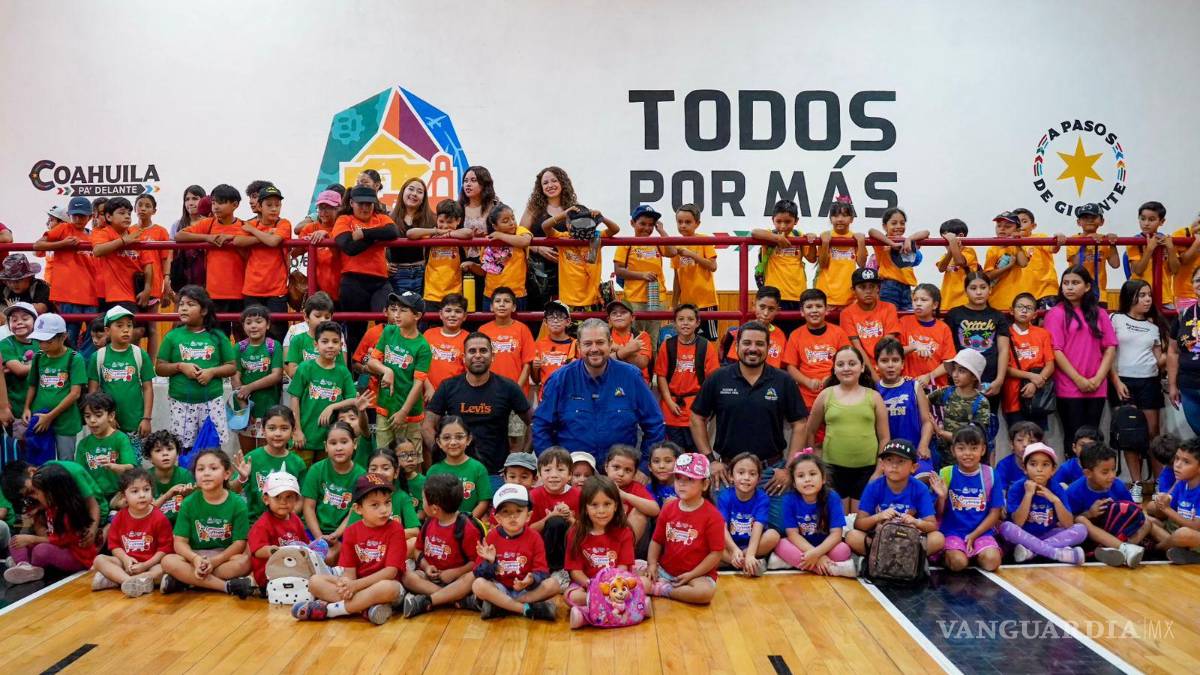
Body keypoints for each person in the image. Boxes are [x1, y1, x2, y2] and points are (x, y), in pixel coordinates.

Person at [691, 321, 807, 527]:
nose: (753, 348)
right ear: (737, 346)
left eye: (759, 344)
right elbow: (696, 417)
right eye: (747, 343)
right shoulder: (718, 378)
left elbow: (800, 423)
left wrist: (789, 469)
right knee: (724, 530)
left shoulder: (783, 381)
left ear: (768, 347)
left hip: (772, 475)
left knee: (778, 530)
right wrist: (710, 460)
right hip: (727, 473)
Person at [532, 319, 664, 467]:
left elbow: (655, 423)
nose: (594, 349)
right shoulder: (560, 379)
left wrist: (644, 468)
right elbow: (540, 426)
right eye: (588, 344)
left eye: (600, 342)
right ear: (579, 346)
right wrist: (552, 468)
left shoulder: (631, 377)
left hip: (620, 474)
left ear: (610, 343)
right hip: (574, 475)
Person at [292, 473, 406, 625]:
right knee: (314, 581)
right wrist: (347, 585)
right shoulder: (351, 531)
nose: (384, 510)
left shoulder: (396, 529)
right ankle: (364, 608)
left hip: (385, 586)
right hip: (358, 587)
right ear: (358, 509)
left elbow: (390, 572)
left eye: (387, 502)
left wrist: (355, 586)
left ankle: (331, 610)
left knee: (388, 588)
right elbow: (350, 574)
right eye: (375, 505)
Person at [424, 333, 531, 479]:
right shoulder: (448, 387)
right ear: (464, 357)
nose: (478, 355)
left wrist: (521, 459)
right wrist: (443, 453)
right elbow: (426, 426)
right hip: (456, 473)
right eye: (472, 351)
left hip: (496, 474)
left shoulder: (508, 387)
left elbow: (534, 422)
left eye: (483, 350)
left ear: (492, 356)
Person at [159, 449, 254, 598]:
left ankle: (186, 580)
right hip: (195, 556)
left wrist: (214, 561)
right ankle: (226, 586)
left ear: (227, 474)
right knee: (167, 561)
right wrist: (195, 559)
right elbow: (179, 542)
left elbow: (239, 544)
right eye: (200, 469)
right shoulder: (188, 502)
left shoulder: (237, 503)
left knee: (244, 563)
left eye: (213, 468)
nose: (206, 473)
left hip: (223, 557)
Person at [805, 345, 890, 510]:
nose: (846, 368)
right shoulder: (825, 395)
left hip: (867, 470)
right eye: (840, 364)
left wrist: (879, 470)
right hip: (832, 470)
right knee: (839, 520)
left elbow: (884, 437)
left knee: (859, 520)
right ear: (834, 369)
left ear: (862, 367)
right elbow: (810, 431)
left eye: (852, 363)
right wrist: (815, 461)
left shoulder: (874, 397)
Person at [155, 286, 236, 454]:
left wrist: (211, 372)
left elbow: (231, 366)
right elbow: (160, 368)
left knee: (212, 449)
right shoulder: (172, 336)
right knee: (184, 450)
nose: (183, 308)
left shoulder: (217, 336)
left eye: (190, 304)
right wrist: (180, 366)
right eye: (181, 304)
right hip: (180, 403)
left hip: (211, 402)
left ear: (204, 310)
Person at [1046, 266, 1118, 453]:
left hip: (1097, 386)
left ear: (1087, 287)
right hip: (1068, 386)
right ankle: (1074, 472)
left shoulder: (1099, 313)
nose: (1069, 287)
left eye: (1075, 283)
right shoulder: (1056, 313)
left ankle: (1092, 472)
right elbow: (1056, 350)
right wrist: (1078, 379)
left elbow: (1110, 347)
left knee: (1093, 438)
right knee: (1073, 437)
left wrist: (1098, 379)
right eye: (1066, 283)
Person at [1110, 279, 1168, 493]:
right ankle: (1136, 483)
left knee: (1153, 433)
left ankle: (1160, 483)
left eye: (1149, 295)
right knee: (1130, 433)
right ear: (1130, 297)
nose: (1147, 299)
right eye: (1142, 295)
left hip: (1149, 382)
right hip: (1123, 381)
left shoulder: (1153, 327)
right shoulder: (1115, 319)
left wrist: (1174, 350)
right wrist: (1116, 381)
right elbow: (1108, 353)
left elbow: (1159, 360)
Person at [642, 453, 724, 605]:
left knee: (704, 593)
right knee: (634, 572)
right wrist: (652, 564)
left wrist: (691, 574)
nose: (681, 484)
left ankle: (664, 590)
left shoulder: (713, 516)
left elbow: (716, 553)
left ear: (705, 484)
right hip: (664, 571)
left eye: (690, 479)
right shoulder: (668, 508)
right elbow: (656, 541)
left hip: (697, 576)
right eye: (678, 478)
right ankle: (659, 585)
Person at [471, 483, 561, 620]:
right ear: (498, 518)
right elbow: (478, 572)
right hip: (500, 588)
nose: (512, 516)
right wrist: (490, 562)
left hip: (525, 591)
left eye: (518, 511)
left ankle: (502, 606)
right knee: (478, 585)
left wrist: (531, 580)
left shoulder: (535, 537)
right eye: (506, 512)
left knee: (554, 584)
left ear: (528, 515)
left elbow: (542, 571)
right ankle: (524, 609)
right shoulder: (492, 536)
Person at [1066, 442, 1162, 569]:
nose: (1111, 476)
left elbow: (1134, 514)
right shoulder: (1074, 491)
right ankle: (1124, 549)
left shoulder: (1118, 486)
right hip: (1092, 538)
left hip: (1119, 533)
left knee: (1147, 523)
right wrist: (1089, 514)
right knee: (1080, 520)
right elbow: (1067, 522)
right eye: (1105, 472)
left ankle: (1118, 550)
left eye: (1113, 470)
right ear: (1088, 473)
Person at [400, 473, 484, 617]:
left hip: (457, 580)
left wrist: (454, 573)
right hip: (431, 579)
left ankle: (428, 601)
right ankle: (456, 600)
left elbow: (476, 562)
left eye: (423, 499)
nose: (422, 502)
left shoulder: (466, 528)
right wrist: (427, 567)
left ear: (434, 509)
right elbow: (418, 550)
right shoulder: (428, 522)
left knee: (473, 577)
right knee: (406, 576)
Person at [846, 440, 945, 559]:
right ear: (882, 465)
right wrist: (879, 516)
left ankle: (892, 559)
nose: (894, 466)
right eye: (889, 460)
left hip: (909, 540)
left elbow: (932, 525)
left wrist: (915, 522)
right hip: (879, 539)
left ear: (913, 467)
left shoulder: (920, 488)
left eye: (901, 461)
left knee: (938, 538)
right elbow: (859, 524)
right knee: (852, 536)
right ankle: (896, 559)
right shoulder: (874, 486)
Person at [3, 464, 98, 585]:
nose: (35, 497)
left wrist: (34, 539)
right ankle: (23, 565)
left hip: (76, 556)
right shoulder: (50, 507)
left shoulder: (69, 512)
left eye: (36, 493)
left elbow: (63, 540)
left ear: (52, 493)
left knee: (41, 550)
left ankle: (30, 566)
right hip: (56, 546)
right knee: (15, 541)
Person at [564, 475, 637, 628]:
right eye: (594, 505)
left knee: (640, 584)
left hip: (618, 585)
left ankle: (586, 616)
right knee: (572, 596)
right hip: (587, 585)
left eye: (607, 504)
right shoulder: (575, 533)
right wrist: (592, 586)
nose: (601, 510)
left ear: (616, 505)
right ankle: (622, 610)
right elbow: (575, 571)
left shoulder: (624, 532)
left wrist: (613, 587)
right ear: (585, 508)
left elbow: (623, 567)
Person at [333, 186, 400, 353]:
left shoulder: (381, 217)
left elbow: (393, 231)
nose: (365, 208)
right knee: (355, 330)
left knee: (387, 322)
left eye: (369, 204)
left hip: (380, 281)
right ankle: (355, 367)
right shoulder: (344, 219)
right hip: (353, 280)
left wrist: (364, 234)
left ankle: (386, 362)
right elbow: (349, 247)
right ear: (351, 203)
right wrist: (376, 237)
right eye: (361, 203)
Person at [768, 450, 856, 576]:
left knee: (843, 550)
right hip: (801, 546)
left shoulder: (832, 497)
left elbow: (836, 535)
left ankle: (792, 562)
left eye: (812, 474)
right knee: (781, 544)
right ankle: (831, 569)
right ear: (794, 483)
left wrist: (817, 553)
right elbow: (792, 534)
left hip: (825, 546)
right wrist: (818, 557)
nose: (807, 479)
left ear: (823, 478)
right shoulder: (789, 499)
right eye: (801, 476)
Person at [997, 441, 1086, 564]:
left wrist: (1055, 500)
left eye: (1045, 465)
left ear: (1053, 470)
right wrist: (1028, 495)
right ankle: (1055, 553)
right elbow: (1017, 523)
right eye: (1033, 464)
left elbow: (1068, 524)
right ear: (1025, 468)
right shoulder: (1017, 487)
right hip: (1022, 538)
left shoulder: (1056, 488)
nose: (1039, 469)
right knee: (1006, 527)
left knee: (1081, 530)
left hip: (1046, 535)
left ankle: (1032, 552)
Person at [90, 468, 174, 596]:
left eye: (146, 489)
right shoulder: (119, 517)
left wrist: (145, 565)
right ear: (124, 496)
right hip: (127, 564)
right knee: (99, 559)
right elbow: (114, 546)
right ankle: (129, 581)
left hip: (151, 564)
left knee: (164, 568)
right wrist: (125, 559)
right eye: (135, 491)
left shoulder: (160, 518)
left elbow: (165, 549)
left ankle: (116, 580)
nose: (142, 495)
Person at [176, 184, 248, 333]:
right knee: (217, 336)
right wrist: (207, 238)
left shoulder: (244, 226)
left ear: (235, 204)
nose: (215, 207)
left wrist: (233, 240)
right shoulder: (208, 224)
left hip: (241, 292)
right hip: (214, 292)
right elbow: (179, 236)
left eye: (221, 202)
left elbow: (249, 258)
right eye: (214, 202)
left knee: (243, 336)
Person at [367, 291, 432, 449]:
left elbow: (418, 384)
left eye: (403, 310)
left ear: (417, 316)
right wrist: (386, 371)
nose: (396, 314)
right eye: (395, 309)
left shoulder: (423, 346)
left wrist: (404, 411)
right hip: (385, 405)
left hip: (410, 412)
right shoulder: (389, 331)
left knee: (411, 457)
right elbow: (372, 362)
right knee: (383, 453)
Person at [287, 321, 358, 465]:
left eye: (335, 342)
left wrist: (332, 407)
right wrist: (297, 430)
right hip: (304, 437)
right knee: (301, 474)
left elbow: (353, 399)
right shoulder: (305, 368)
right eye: (325, 341)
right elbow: (294, 399)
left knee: (324, 475)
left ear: (341, 346)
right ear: (316, 345)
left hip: (330, 440)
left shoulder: (343, 372)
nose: (330, 345)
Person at [34, 196, 98, 349]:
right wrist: (63, 244)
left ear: (90, 217)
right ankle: (71, 361)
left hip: (90, 293)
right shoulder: (64, 228)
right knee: (69, 335)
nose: (78, 219)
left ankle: (82, 361)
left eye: (82, 215)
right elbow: (37, 245)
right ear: (69, 215)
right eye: (75, 215)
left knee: (94, 334)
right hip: (67, 294)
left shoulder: (94, 235)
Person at [937, 426, 1003, 572]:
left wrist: (974, 535)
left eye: (974, 448)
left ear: (983, 450)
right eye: (961, 448)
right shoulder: (945, 473)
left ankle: (976, 553)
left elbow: (995, 513)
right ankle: (948, 554)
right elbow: (938, 514)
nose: (967, 453)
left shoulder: (991, 474)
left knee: (992, 562)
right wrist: (941, 497)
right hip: (952, 532)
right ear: (953, 450)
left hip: (981, 532)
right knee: (958, 563)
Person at [945, 270, 1011, 417]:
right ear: (965, 291)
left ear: (990, 289)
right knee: (959, 422)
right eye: (973, 288)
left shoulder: (998, 316)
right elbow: (948, 350)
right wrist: (953, 376)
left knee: (987, 423)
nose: (979, 292)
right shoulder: (954, 314)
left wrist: (999, 380)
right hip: (961, 380)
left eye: (983, 287)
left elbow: (1004, 350)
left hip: (990, 381)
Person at [655, 304, 721, 452]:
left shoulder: (706, 346)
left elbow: (712, 380)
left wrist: (705, 406)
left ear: (697, 323)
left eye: (690, 319)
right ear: (674, 323)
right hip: (671, 408)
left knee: (696, 456)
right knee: (674, 454)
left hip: (696, 409)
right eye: (681, 319)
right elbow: (661, 376)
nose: (685, 323)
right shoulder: (667, 345)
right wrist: (669, 401)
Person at [87, 306, 155, 447]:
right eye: (119, 326)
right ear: (107, 331)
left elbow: (148, 388)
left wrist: (146, 419)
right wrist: (106, 418)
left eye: (129, 325)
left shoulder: (140, 354)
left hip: (135, 424)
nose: (126, 330)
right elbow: (93, 393)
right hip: (107, 425)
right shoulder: (98, 357)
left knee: (133, 459)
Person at [23, 313, 87, 460]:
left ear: (63, 337)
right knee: (41, 461)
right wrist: (27, 408)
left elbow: (75, 394)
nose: (43, 345)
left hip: (65, 421)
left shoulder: (74, 358)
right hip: (39, 417)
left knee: (66, 460)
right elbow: (32, 385)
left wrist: (50, 417)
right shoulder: (38, 357)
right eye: (40, 341)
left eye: (48, 341)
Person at [301, 421, 367, 564]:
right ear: (326, 446)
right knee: (302, 556)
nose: (339, 448)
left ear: (355, 444)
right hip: (314, 530)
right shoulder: (316, 469)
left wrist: (336, 534)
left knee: (330, 557)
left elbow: (354, 512)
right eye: (333, 443)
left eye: (344, 442)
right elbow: (308, 507)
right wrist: (319, 538)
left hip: (344, 533)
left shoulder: (361, 475)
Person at [479, 287, 536, 448]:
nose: (502, 305)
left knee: (515, 440)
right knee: (490, 439)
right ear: (491, 307)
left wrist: (515, 389)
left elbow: (527, 364)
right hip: (488, 394)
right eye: (497, 301)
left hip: (516, 395)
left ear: (514, 306)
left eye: (507, 301)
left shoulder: (522, 329)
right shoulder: (483, 330)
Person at [232, 405, 307, 522]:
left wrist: (286, 516)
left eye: (284, 428)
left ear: (293, 431)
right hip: (255, 523)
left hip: (286, 522)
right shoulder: (251, 459)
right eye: (272, 428)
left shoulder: (297, 463)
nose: (278, 433)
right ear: (263, 430)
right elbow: (232, 490)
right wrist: (241, 478)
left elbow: (302, 499)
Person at [614, 204, 677, 336]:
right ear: (632, 223)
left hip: (657, 299)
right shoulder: (626, 244)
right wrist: (642, 275)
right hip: (634, 300)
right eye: (642, 224)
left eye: (651, 225)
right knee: (635, 337)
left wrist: (662, 231)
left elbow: (672, 252)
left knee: (653, 338)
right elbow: (619, 271)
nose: (647, 228)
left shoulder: (657, 242)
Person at [783, 289, 851, 410]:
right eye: (809, 307)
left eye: (819, 306)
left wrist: (832, 378)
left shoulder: (839, 333)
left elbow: (848, 361)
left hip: (837, 392)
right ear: (802, 311)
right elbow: (790, 367)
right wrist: (807, 382)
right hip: (806, 398)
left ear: (826, 309)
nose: (814, 310)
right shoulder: (795, 335)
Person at [751, 199, 815, 328]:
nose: (783, 226)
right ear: (772, 220)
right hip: (774, 296)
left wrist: (812, 240)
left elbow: (812, 258)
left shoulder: (799, 235)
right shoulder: (769, 235)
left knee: (794, 333)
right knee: (775, 333)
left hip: (798, 295)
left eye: (787, 221)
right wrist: (777, 238)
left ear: (796, 221)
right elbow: (754, 232)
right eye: (778, 221)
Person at [521, 166, 578, 309]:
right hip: (537, 270)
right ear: (540, 188)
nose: (550, 185)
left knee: (565, 310)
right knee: (537, 310)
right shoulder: (533, 208)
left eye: (554, 181)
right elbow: (520, 234)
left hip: (566, 267)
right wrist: (538, 248)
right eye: (545, 183)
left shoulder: (573, 208)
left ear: (563, 183)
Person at [717, 453, 780, 576]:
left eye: (752, 474)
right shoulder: (725, 496)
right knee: (710, 542)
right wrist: (734, 549)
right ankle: (747, 564)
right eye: (741, 473)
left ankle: (739, 561)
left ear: (759, 478)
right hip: (729, 546)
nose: (746, 477)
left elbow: (758, 526)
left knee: (773, 535)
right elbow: (721, 528)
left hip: (753, 546)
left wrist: (750, 554)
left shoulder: (762, 498)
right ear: (731, 476)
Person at [231, 305, 283, 451]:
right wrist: (243, 404)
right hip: (243, 409)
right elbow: (235, 376)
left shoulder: (274, 346)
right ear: (243, 326)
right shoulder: (239, 348)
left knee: (265, 451)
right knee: (247, 454)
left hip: (267, 407)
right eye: (248, 322)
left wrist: (250, 387)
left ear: (268, 325)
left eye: (258, 321)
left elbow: (276, 375)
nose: (253, 326)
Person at [246, 470, 309, 589]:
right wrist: (274, 551)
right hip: (269, 573)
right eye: (277, 497)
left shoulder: (295, 519)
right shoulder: (262, 524)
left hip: (292, 568)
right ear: (266, 499)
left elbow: (305, 543)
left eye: (289, 497)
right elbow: (257, 551)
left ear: (296, 499)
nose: (283, 502)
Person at [408, 199, 472, 312]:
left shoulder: (459, 237)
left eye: (449, 222)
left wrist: (448, 234)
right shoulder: (431, 235)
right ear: (436, 219)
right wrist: (436, 231)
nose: (445, 226)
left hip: (454, 294)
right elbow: (410, 233)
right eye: (441, 221)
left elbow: (468, 233)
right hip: (431, 294)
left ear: (458, 221)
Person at [1003, 293, 1055, 430]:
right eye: (1020, 307)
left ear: (1035, 314)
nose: (1024, 310)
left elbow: (1050, 365)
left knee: (1037, 437)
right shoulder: (1005, 334)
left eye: (1029, 308)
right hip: (1013, 395)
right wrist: (1031, 376)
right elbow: (1005, 368)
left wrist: (1035, 383)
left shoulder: (1043, 334)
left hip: (1038, 396)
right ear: (1011, 311)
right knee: (1017, 436)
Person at [74, 391, 137, 504]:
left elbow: (131, 467)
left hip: (118, 494)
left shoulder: (120, 439)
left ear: (111, 416)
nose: (92, 420)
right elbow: (79, 473)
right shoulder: (83, 443)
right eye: (87, 416)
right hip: (93, 496)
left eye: (98, 415)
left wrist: (115, 467)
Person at [875, 338, 933, 458]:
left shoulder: (914, 386)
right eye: (884, 361)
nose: (890, 365)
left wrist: (923, 445)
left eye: (895, 360)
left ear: (902, 364)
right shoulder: (873, 391)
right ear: (877, 364)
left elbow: (927, 422)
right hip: (885, 455)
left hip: (914, 453)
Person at [427, 415, 494, 519]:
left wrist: (466, 522)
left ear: (468, 439)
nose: (453, 442)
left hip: (470, 524)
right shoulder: (433, 470)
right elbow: (429, 503)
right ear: (439, 442)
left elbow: (484, 502)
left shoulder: (478, 468)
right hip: (440, 523)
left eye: (459, 437)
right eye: (446, 438)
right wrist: (445, 523)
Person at [839, 268, 901, 376]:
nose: (868, 291)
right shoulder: (846, 313)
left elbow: (887, 344)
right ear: (853, 290)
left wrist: (882, 374)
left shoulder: (889, 308)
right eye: (862, 287)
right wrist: (874, 377)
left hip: (887, 365)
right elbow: (857, 348)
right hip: (863, 369)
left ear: (878, 288)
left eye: (872, 286)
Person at [1148, 438, 1200, 564]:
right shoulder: (1182, 482)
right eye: (1177, 459)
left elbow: (1196, 527)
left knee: (1183, 534)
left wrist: (1166, 509)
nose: (1177, 465)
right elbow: (1164, 506)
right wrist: (1162, 500)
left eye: (1186, 462)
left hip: (1193, 535)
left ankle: (1153, 551)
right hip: (1180, 534)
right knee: (1145, 520)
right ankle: (1186, 554)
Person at [670, 204, 718, 338]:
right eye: (680, 222)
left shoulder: (705, 240)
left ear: (697, 223)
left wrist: (691, 254)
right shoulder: (676, 246)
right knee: (686, 339)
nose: (683, 225)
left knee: (708, 340)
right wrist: (673, 304)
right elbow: (677, 278)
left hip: (706, 302)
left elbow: (713, 266)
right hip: (686, 304)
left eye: (688, 222)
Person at [867, 207, 929, 312]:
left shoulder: (907, 242)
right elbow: (871, 231)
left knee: (907, 316)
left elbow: (926, 232)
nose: (899, 226)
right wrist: (891, 244)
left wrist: (909, 239)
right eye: (894, 223)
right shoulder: (883, 243)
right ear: (885, 226)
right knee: (889, 316)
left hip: (906, 287)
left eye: (902, 223)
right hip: (889, 286)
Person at [529, 447, 579, 571]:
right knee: (555, 522)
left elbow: (587, 530)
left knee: (559, 522)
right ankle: (550, 568)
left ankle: (567, 568)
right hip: (541, 548)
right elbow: (528, 530)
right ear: (539, 474)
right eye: (547, 470)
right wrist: (548, 518)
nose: (554, 475)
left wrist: (570, 518)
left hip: (571, 547)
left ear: (570, 474)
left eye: (560, 470)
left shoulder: (578, 495)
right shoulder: (533, 496)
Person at [814, 196, 867, 309]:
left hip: (849, 297)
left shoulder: (855, 238)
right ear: (830, 218)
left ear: (852, 219)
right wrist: (825, 243)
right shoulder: (825, 236)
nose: (840, 219)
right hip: (826, 296)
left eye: (844, 215)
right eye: (836, 215)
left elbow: (862, 264)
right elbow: (822, 264)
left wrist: (861, 242)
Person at [477, 203, 532, 311]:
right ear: (495, 226)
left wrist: (500, 235)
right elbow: (484, 269)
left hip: (516, 294)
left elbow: (525, 241)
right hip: (491, 294)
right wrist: (471, 265)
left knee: (516, 322)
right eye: (505, 221)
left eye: (513, 218)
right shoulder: (489, 240)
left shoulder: (519, 231)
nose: (512, 223)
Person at [1063, 202, 1120, 306]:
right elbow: (1075, 264)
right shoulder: (1073, 240)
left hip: (1099, 295)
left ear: (1102, 221)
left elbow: (1115, 264)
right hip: (1077, 294)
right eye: (1085, 217)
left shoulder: (1104, 239)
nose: (1090, 220)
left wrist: (1112, 244)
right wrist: (1086, 241)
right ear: (1078, 222)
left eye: (1094, 217)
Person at [1125, 201, 1180, 309]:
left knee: (1170, 319)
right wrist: (1149, 249)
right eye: (1142, 218)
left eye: (1151, 219)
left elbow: (1175, 270)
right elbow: (1138, 270)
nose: (1146, 223)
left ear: (1162, 221)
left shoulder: (1167, 241)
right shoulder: (1134, 241)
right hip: (1139, 297)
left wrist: (1170, 248)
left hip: (1164, 298)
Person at [899, 284, 955, 387]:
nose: (918, 303)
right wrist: (914, 346)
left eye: (923, 300)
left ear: (935, 305)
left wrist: (929, 376)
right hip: (907, 384)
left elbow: (948, 362)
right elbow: (894, 352)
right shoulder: (904, 322)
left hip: (936, 386)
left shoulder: (944, 328)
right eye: (915, 300)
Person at [1168, 266, 1200, 435]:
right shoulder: (1184, 313)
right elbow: (1173, 351)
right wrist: (1173, 385)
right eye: (1198, 280)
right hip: (1189, 388)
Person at [605, 445, 659, 545]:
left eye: (628, 470)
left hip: (627, 539)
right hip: (601, 535)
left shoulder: (636, 487)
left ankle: (625, 550)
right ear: (606, 467)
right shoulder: (598, 485)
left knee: (640, 511)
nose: (621, 473)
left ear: (634, 474)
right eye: (616, 467)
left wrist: (624, 495)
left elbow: (655, 510)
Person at [387, 177, 432, 297]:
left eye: (419, 191)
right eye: (411, 189)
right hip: (397, 274)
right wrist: (384, 264)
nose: (414, 194)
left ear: (423, 198)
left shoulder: (432, 219)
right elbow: (378, 245)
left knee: (421, 308)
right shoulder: (388, 218)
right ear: (403, 192)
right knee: (399, 307)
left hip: (423, 273)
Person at [297, 189, 345, 301]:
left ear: (338, 208)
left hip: (342, 287)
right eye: (321, 208)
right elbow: (294, 253)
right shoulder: (310, 228)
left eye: (328, 207)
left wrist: (326, 236)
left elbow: (340, 255)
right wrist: (305, 242)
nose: (323, 212)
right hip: (317, 289)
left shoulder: (344, 226)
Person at [284, 291, 338, 378]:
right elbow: (292, 372)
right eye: (318, 316)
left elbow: (342, 372)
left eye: (327, 317)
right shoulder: (297, 340)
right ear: (306, 317)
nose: (323, 320)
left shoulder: (335, 340)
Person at [982, 211, 1030, 310]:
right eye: (999, 226)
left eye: (1008, 226)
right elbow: (988, 276)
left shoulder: (1017, 247)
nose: (1002, 229)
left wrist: (1017, 242)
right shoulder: (993, 249)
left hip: (1017, 301)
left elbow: (1023, 263)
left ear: (1017, 229)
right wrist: (1008, 266)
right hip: (996, 301)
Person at [423, 293, 469, 394]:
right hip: (428, 393)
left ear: (465, 316)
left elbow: (470, 373)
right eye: (448, 311)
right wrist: (428, 387)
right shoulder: (428, 334)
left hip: (455, 394)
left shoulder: (469, 339)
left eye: (458, 311)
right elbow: (419, 365)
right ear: (440, 314)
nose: (452, 315)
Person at [2, 302, 38, 428]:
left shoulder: (42, 342)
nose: (19, 322)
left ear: (35, 321)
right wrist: (45, 362)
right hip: (17, 406)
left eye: (25, 318)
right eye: (14, 320)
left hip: (40, 406)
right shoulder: (5, 344)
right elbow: (20, 370)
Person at [144, 430, 192, 524]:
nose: (165, 453)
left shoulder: (186, 475)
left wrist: (189, 496)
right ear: (150, 458)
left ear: (177, 454)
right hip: (153, 527)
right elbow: (143, 512)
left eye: (170, 449)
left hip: (180, 527)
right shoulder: (144, 478)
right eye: (158, 450)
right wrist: (168, 495)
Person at [531, 301, 576, 391]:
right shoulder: (538, 345)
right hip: (546, 394)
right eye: (551, 317)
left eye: (560, 317)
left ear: (568, 321)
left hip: (568, 394)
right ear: (545, 322)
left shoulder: (576, 345)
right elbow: (536, 380)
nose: (555, 321)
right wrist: (535, 368)